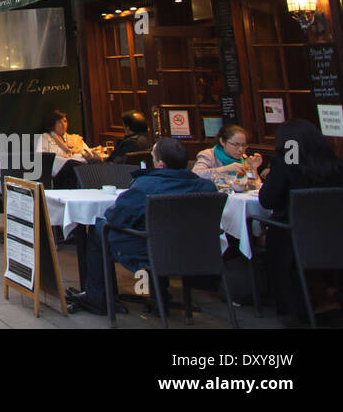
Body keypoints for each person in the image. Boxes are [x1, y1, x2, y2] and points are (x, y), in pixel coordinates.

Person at [67, 137, 217, 314]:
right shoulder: (208, 187)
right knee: (156, 235)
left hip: (150, 248)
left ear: (160, 164)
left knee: (99, 229)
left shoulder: (146, 186)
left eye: (153, 155)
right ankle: (159, 296)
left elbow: (117, 217)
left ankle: (96, 298)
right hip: (195, 250)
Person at [258, 119, 343, 319]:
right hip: (335, 236)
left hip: (294, 237)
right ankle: (325, 293)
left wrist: (272, 175)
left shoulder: (287, 164)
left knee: (264, 233)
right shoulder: (336, 165)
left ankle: (299, 301)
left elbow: (267, 200)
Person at [193, 123, 263, 183]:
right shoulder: (209, 155)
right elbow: (196, 174)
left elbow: (255, 186)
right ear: (222, 141)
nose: (241, 149)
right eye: (236, 145)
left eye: (244, 145)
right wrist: (226, 168)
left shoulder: (245, 158)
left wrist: (253, 168)